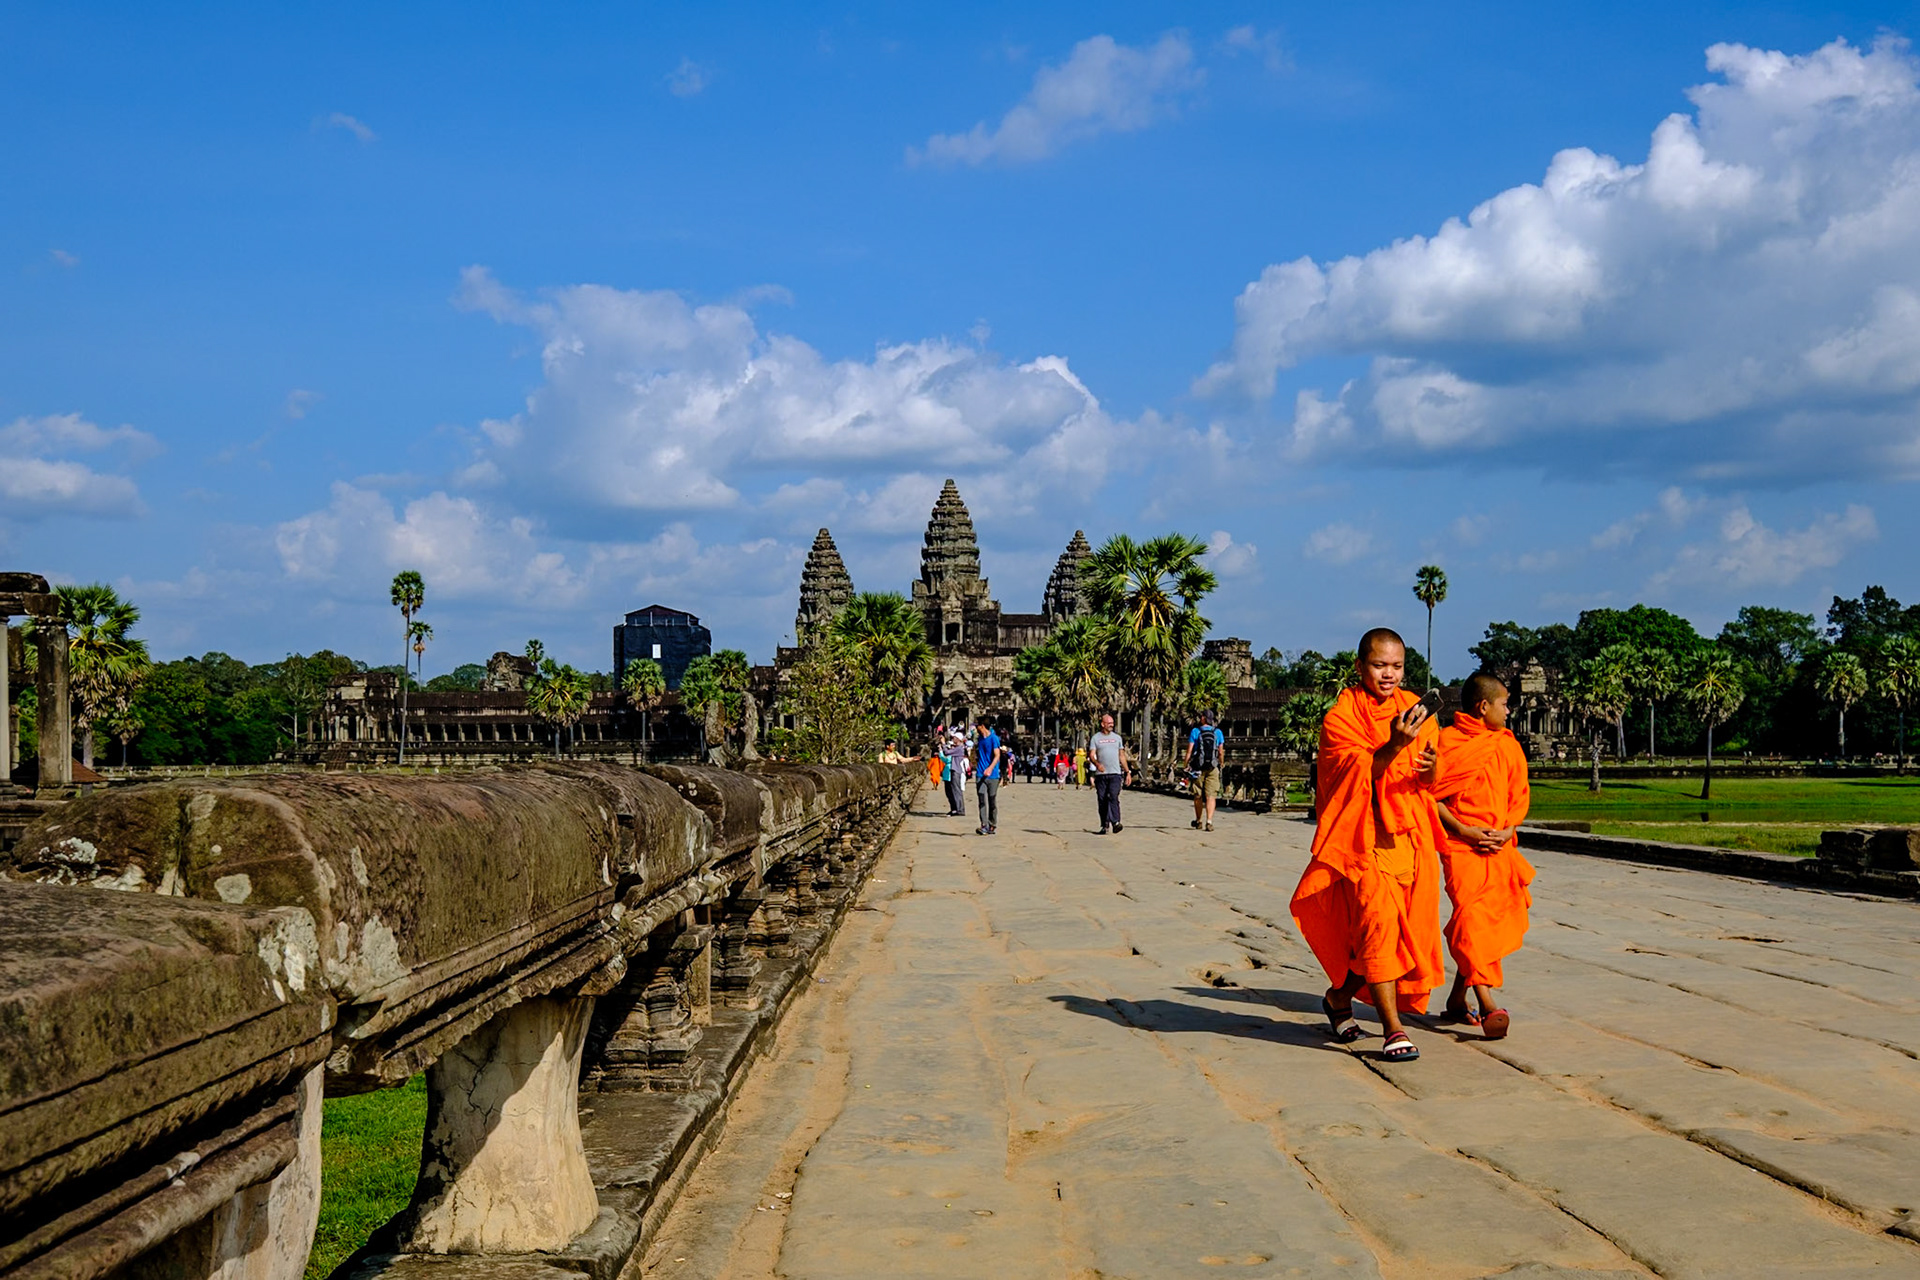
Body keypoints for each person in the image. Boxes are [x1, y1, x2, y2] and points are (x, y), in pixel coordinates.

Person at [1289, 628, 1445, 1064]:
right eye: (1379, 665)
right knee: (1378, 927)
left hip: (1408, 840)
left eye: (1396, 666)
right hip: (1362, 841)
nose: (1389, 674)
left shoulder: (1418, 711)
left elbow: (1430, 782)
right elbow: (1355, 775)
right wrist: (1395, 743)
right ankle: (1393, 1029)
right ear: (1359, 667)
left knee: (1391, 936)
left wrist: (1431, 766)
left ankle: (1339, 999)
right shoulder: (1341, 718)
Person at [1431, 672, 1534, 1040]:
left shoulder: (1506, 744)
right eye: (1504, 704)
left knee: (1483, 926)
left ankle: (1458, 999)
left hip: (1499, 846)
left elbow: (1517, 796)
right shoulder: (1448, 742)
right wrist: (1463, 830)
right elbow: (1431, 796)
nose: (1509, 711)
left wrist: (1507, 830)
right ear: (1483, 706)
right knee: (1472, 920)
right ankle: (1488, 1003)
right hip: (1462, 846)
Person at [1088, 713, 1130, 834]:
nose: (1111, 725)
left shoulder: (1117, 738)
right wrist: (1097, 764)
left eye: (1112, 723)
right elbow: (1091, 755)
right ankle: (1104, 824)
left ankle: (1116, 822)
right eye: (1109, 723)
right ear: (1102, 724)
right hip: (1101, 775)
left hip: (1115, 773)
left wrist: (1127, 772)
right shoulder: (1095, 738)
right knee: (1102, 799)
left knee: (1113, 796)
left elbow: (1121, 755)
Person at [1186, 708, 1225, 832]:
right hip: (1213, 766)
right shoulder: (1218, 732)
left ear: (1203, 718)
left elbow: (1189, 751)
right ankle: (1209, 821)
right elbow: (1220, 751)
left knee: (1198, 795)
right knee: (1211, 795)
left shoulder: (1195, 731)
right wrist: (1221, 763)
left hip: (1198, 766)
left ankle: (1198, 820)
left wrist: (1186, 764)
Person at [974, 719, 1008, 834]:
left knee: (991, 800)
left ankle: (992, 823)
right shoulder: (979, 739)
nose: (976, 728)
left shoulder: (994, 738)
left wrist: (990, 768)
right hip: (980, 773)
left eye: (977, 725)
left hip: (992, 775)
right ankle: (984, 825)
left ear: (982, 726)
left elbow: (997, 755)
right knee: (981, 798)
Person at [942, 727, 968, 818]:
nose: (953, 739)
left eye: (954, 738)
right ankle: (956, 808)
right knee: (953, 790)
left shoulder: (959, 748)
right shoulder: (958, 748)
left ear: (958, 739)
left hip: (956, 770)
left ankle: (960, 809)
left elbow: (946, 752)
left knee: (956, 790)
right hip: (954, 770)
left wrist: (943, 744)